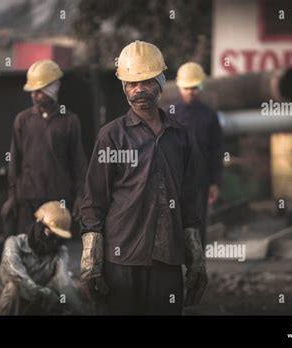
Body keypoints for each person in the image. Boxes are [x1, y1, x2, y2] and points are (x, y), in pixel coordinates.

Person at [80, 41, 208, 315]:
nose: (138, 89)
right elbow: (94, 198)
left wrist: (196, 257)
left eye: (146, 81)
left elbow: (189, 202)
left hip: (167, 259)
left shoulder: (179, 136)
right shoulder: (112, 136)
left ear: (161, 82)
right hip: (121, 258)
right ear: (124, 87)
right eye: (131, 83)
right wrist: (91, 260)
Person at [1, 60, 88, 237]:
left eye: (39, 90)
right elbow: (15, 161)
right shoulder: (23, 120)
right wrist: (12, 197)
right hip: (27, 199)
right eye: (33, 91)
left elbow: (78, 162)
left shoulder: (70, 121)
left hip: (58, 200)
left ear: (53, 88)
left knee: (53, 249)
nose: (35, 95)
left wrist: (80, 196)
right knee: (27, 247)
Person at [0, 201, 81, 315]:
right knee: (14, 288)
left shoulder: (59, 252)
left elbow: (63, 282)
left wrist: (80, 308)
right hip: (7, 304)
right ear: (39, 224)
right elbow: (17, 276)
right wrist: (45, 294)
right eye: (49, 232)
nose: (54, 241)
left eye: (58, 237)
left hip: (34, 306)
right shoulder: (14, 243)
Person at [170, 62, 224, 246]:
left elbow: (217, 150)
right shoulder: (171, 115)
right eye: (186, 88)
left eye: (194, 88)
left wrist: (215, 182)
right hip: (175, 180)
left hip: (200, 180)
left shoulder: (209, 116)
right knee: (174, 225)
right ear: (179, 87)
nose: (190, 92)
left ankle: (197, 267)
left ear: (200, 87)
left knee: (198, 225)